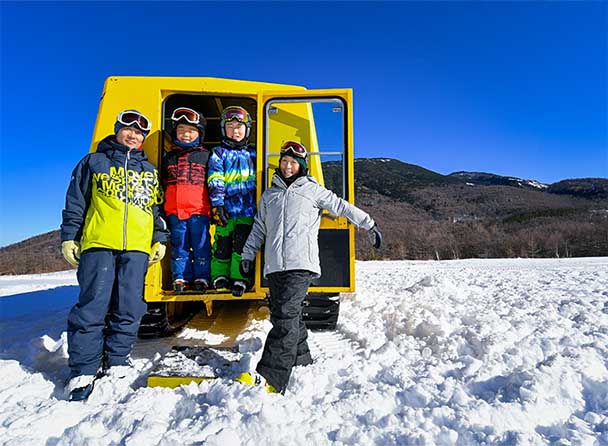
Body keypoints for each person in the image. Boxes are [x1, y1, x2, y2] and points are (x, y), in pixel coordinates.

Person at [237, 141, 382, 394]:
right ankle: (302, 359)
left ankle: (271, 377)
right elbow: (259, 228)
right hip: (275, 266)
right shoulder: (269, 195)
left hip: (300, 264)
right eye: (284, 161)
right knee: (286, 315)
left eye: (293, 163)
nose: (288, 166)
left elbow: (341, 206)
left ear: (301, 166)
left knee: (284, 316)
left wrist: (368, 224)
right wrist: (248, 254)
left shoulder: (313, 190)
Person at [60, 109, 168, 401]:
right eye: (127, 130)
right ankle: (84, 369)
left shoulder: (149, 171)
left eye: (138, 133)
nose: (132, 135)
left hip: (136, 248)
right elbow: (76, 202)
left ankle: (118, 360)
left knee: (130, 306)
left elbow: (155, 210)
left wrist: (158, 238)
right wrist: (70, 236)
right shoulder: (94, 162)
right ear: (118, 129)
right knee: (93, 305)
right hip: (99, 244)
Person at [207, 106, 256, 297]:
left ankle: (239, 278)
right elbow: (215, 178)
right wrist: (217, 204)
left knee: (242, 246)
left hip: (247, 210)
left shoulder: (253, 153)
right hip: (226, 209)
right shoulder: (218, 153)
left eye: (239, 127)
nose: (235, 131)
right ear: (223, 129)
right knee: (222, 244)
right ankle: (219, 275)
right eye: (230, 126)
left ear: (247, 129)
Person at [162, 107, 212, 293]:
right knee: (179, 245)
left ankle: (202, 277)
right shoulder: (168, 157)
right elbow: (163, 183)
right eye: (181, 130)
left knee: (201, 245)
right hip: (175, 211)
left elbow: (213, 184)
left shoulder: (206, 156)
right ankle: (180, 277)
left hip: (199, 210)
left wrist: (215, 208)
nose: (186, 135)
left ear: (199, 133)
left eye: (191, 131)